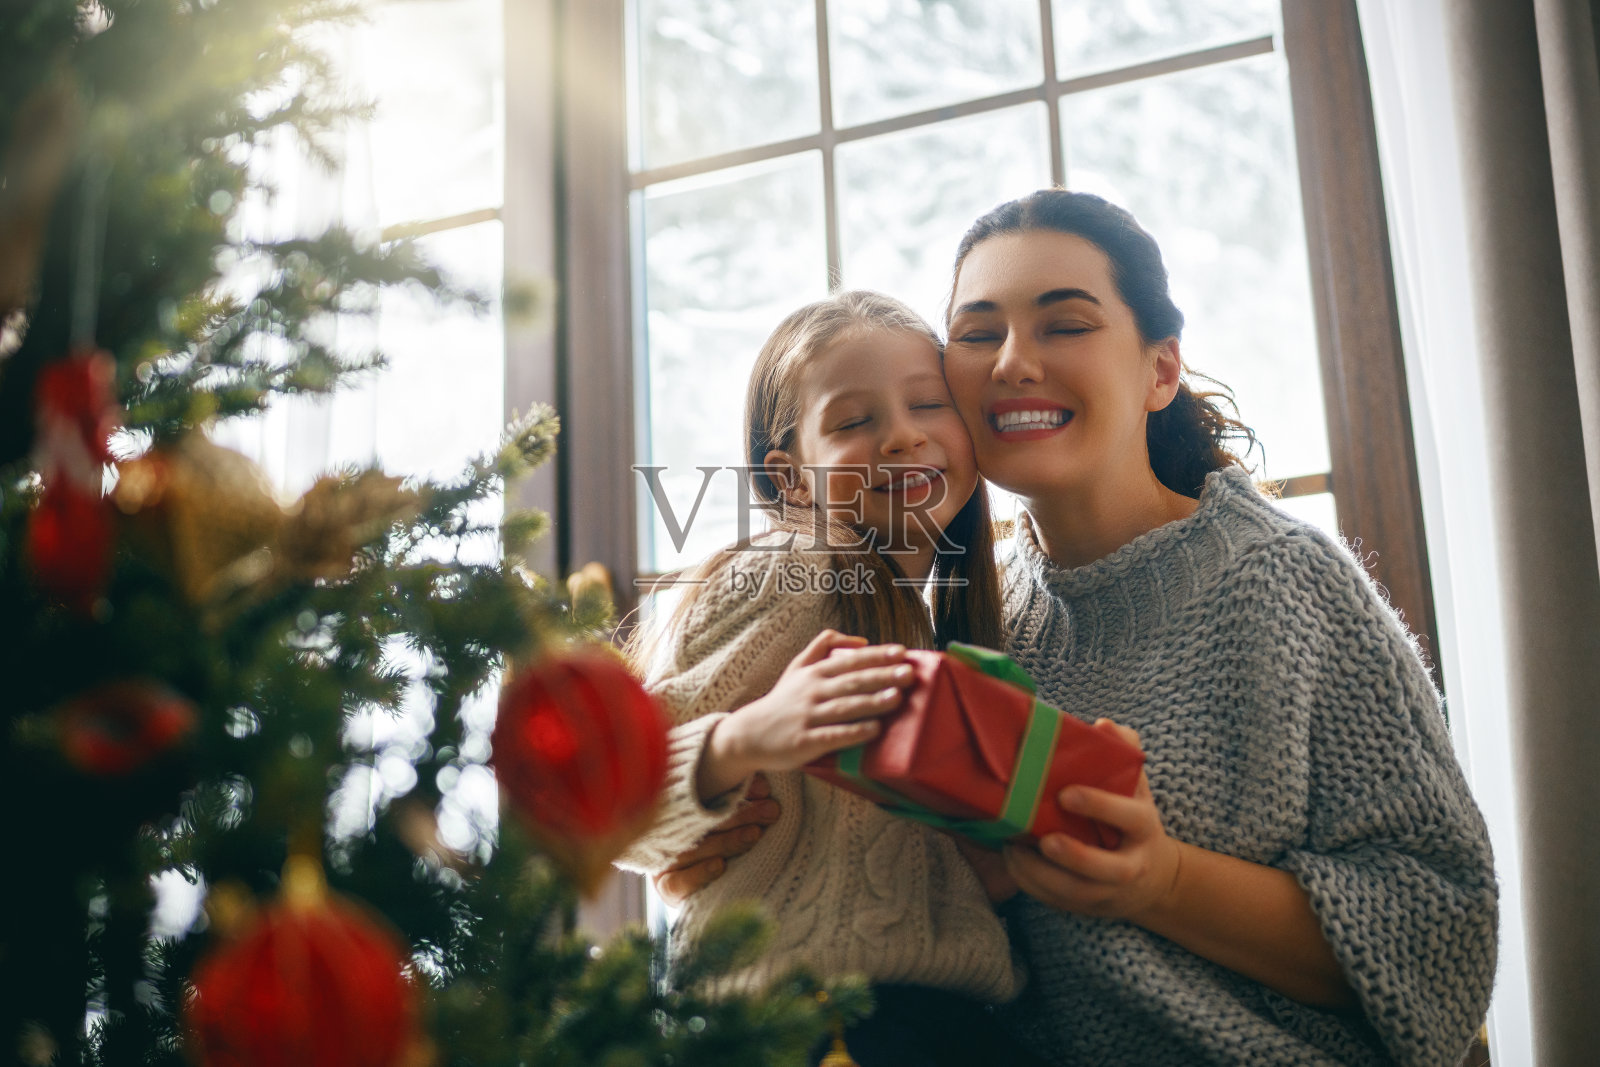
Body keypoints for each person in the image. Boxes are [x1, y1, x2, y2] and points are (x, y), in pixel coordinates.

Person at [658, 190, 1498, 1067]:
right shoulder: (964, 619)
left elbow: (1440, 940)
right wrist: (729, 844)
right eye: (978, 334)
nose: (1014, 361)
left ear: (1160, 371)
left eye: (1064, 324)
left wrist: (1163, 881)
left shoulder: (1288, 584)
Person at [616, 291, 1044, 1067]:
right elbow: (609, 797)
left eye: (929, 404)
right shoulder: (795, 570)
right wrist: (742, 737)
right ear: (793, 479)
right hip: (808, 1024)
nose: (903, 434)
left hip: (944, 1021)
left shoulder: (941, 625)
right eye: (853, 421)